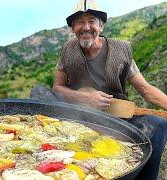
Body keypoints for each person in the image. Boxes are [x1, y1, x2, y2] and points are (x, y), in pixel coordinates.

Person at [31, 0, 167, 179]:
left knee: (157, 125)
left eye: (92, 21)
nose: (86, 27)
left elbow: (146, 89)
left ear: (101, 26)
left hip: (114, 117)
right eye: (80, 22)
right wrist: (84, 98)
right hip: (75, 113)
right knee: (38, 92)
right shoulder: (68, 50)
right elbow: (57, 87)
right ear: (73, 28)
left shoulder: (121, 51)